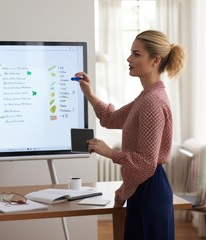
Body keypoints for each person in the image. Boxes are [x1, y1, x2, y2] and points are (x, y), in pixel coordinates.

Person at [74, 30, 185, 240]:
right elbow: (111, 119)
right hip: (145, 188)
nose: (129, 58)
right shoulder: (147, 97)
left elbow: (145, 163)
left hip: (149, 191)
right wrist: (89, 93)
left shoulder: (152, 101)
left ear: (155, 60)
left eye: (136, 54)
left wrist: (109, 153)